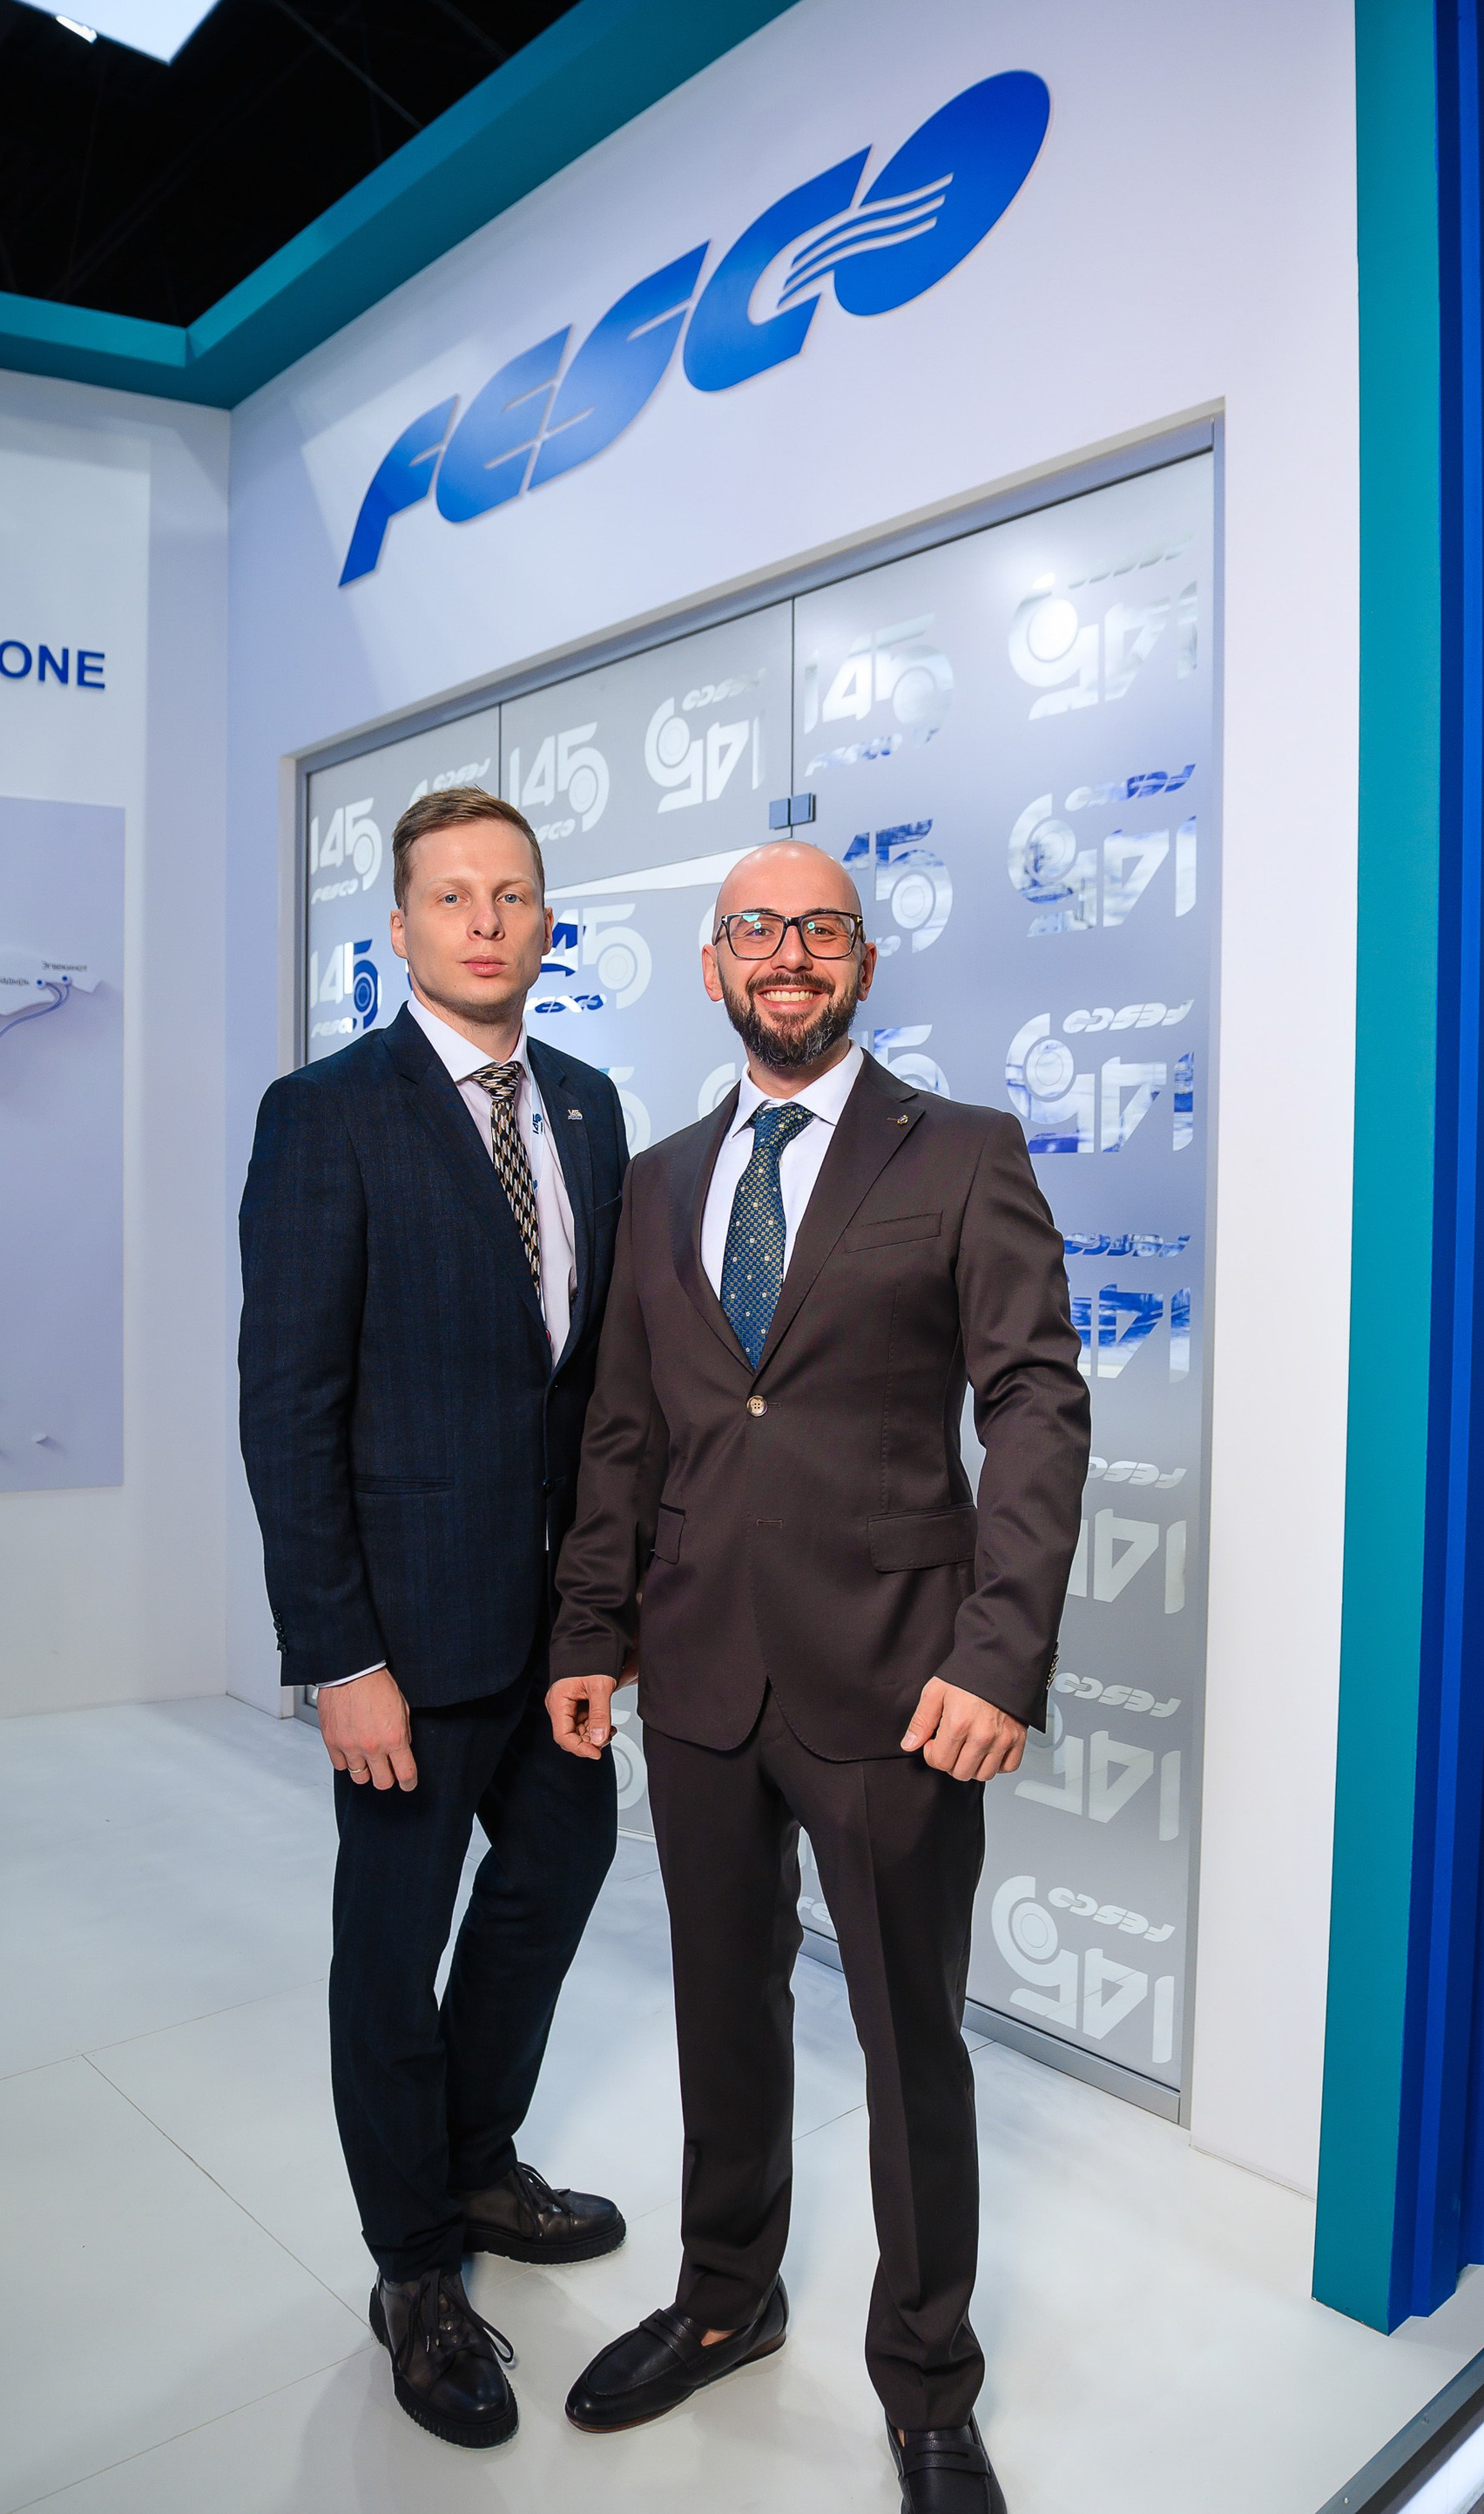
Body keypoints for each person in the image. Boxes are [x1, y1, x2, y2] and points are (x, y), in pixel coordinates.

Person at [545, 840, 1089, 2513]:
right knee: (721, 2007)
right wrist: (590, 1629)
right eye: (757, 929)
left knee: (910, 2041)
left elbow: (1035, 1402)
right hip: (702, 1670)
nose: (790, 953)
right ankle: (727, 2296)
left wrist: (999, 1654)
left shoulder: (965, 1151)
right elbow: (625, 1426)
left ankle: (927, 2381)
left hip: (902, 1680)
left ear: (863, 959)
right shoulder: (659, 1178)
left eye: (822, 929)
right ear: (714, 964)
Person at [239, 787, 629, 2453]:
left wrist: (606, 1612)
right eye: (451, 895)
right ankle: (412, 2266)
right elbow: (287, 1407)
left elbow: (593, 1388)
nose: (484, 919)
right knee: (391, 1956)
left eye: (512, 893)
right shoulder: (327, 1113)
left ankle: (475, 2162)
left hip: (556, 1637)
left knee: (558, 1878)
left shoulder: (590, 1107)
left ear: (546, 924)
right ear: (398, 928)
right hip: (401, 1640)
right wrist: (339, 1655)